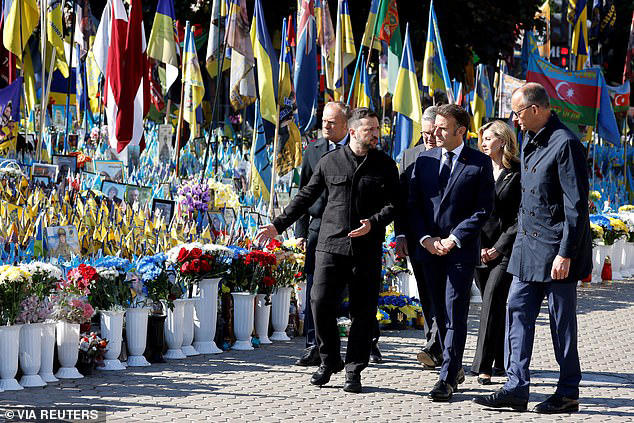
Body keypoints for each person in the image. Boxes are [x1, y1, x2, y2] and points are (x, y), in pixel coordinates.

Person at [256, 108, 399, 393]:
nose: (374, 134)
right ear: (354, 131)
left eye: (376, 128)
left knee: (363, 312)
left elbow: (395, 204)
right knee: (319, 301)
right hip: (330, 244)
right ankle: (329, 359)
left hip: (366, 248)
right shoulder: (330, 162)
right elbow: (305, 196)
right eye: (369, 129)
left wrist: (373, 223)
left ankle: (354, 370)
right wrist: (277, 226)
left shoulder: (385, 165)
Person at [474, 83, 592, 413]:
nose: (515, 119)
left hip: (556, 252)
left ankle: (568, 391)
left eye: (518, 112)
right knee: (516, 312)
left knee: (561, 324)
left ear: (536, 109)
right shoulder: (529, 138)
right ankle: (516, 387)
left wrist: (566, 253)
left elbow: (576, 206)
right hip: (528, 250)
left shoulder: (564, 144)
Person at [408, 104, 494, 402]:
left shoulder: (479, 163)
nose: (435, 132)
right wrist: (425, 239)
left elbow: (483, 209)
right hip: (429, 250)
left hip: (459, 252)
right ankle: (453, 363)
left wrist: (454, 239)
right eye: (435, 127)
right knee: (438, 313)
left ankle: (446, 378)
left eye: (443, 128)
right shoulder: (424, 160)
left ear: (461, 131)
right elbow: (414, 206)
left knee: (455, 311)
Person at [294, 102, 376, 367]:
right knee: (317, 294)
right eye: (323, 121)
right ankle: (314, 346)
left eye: (331, 123)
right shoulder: (314, 151)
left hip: (356, 232)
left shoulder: (368, 153)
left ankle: (367, 342)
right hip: (321, 230)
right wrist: (300, 230)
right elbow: (303, 191)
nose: (325, 126)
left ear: (346, 126)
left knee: (359, 295)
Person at [470, 121, 521, 385]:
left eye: (488, 138)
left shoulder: (517, 172)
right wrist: (477, 246)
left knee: (490, 301)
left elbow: (519, 218)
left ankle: (483, 365)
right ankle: (501, 362)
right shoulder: (478, 169)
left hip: (505, 250)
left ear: (502, 140)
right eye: (482, 138)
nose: (483, 142)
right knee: (496, 306)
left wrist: (498, 247)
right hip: (478, 248)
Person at [394, 105, 443, 369]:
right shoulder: (409, 156)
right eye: (424, 134)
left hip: (445, 239)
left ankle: (435, 346)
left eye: (433, 133)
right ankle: (433, 345)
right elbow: (400, 200)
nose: (429, 139)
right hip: (416, 238)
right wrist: (400, 233)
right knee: (426, 294)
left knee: (441, 294)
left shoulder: (452, 156)